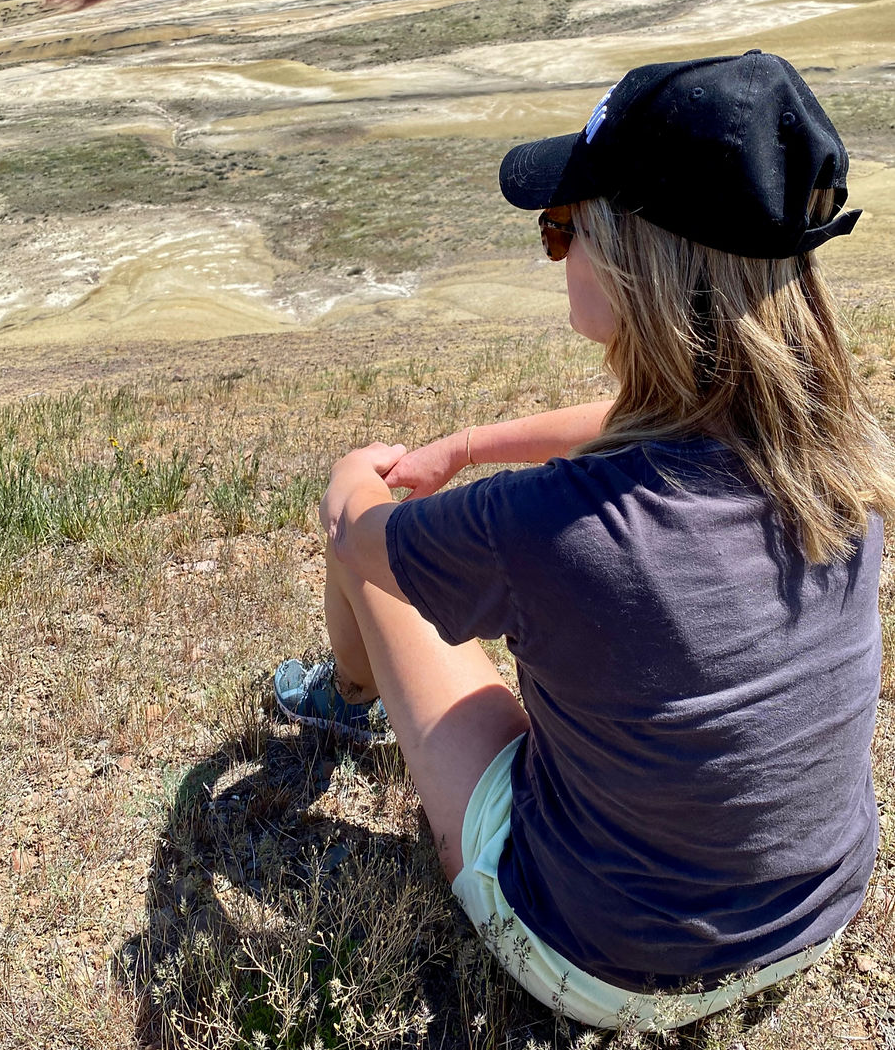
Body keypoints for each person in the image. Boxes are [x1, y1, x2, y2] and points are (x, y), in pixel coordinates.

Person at [273, 50, 894, 1030]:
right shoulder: (842, 455)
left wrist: (354, 478)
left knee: (378, 567)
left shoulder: (554, 524)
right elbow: (652, 416)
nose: (554, 251)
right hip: (814, 912)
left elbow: (364, 539)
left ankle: (345, 698)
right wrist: (470, 445)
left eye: (563, 229)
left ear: (634, 256)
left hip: (604, 966)